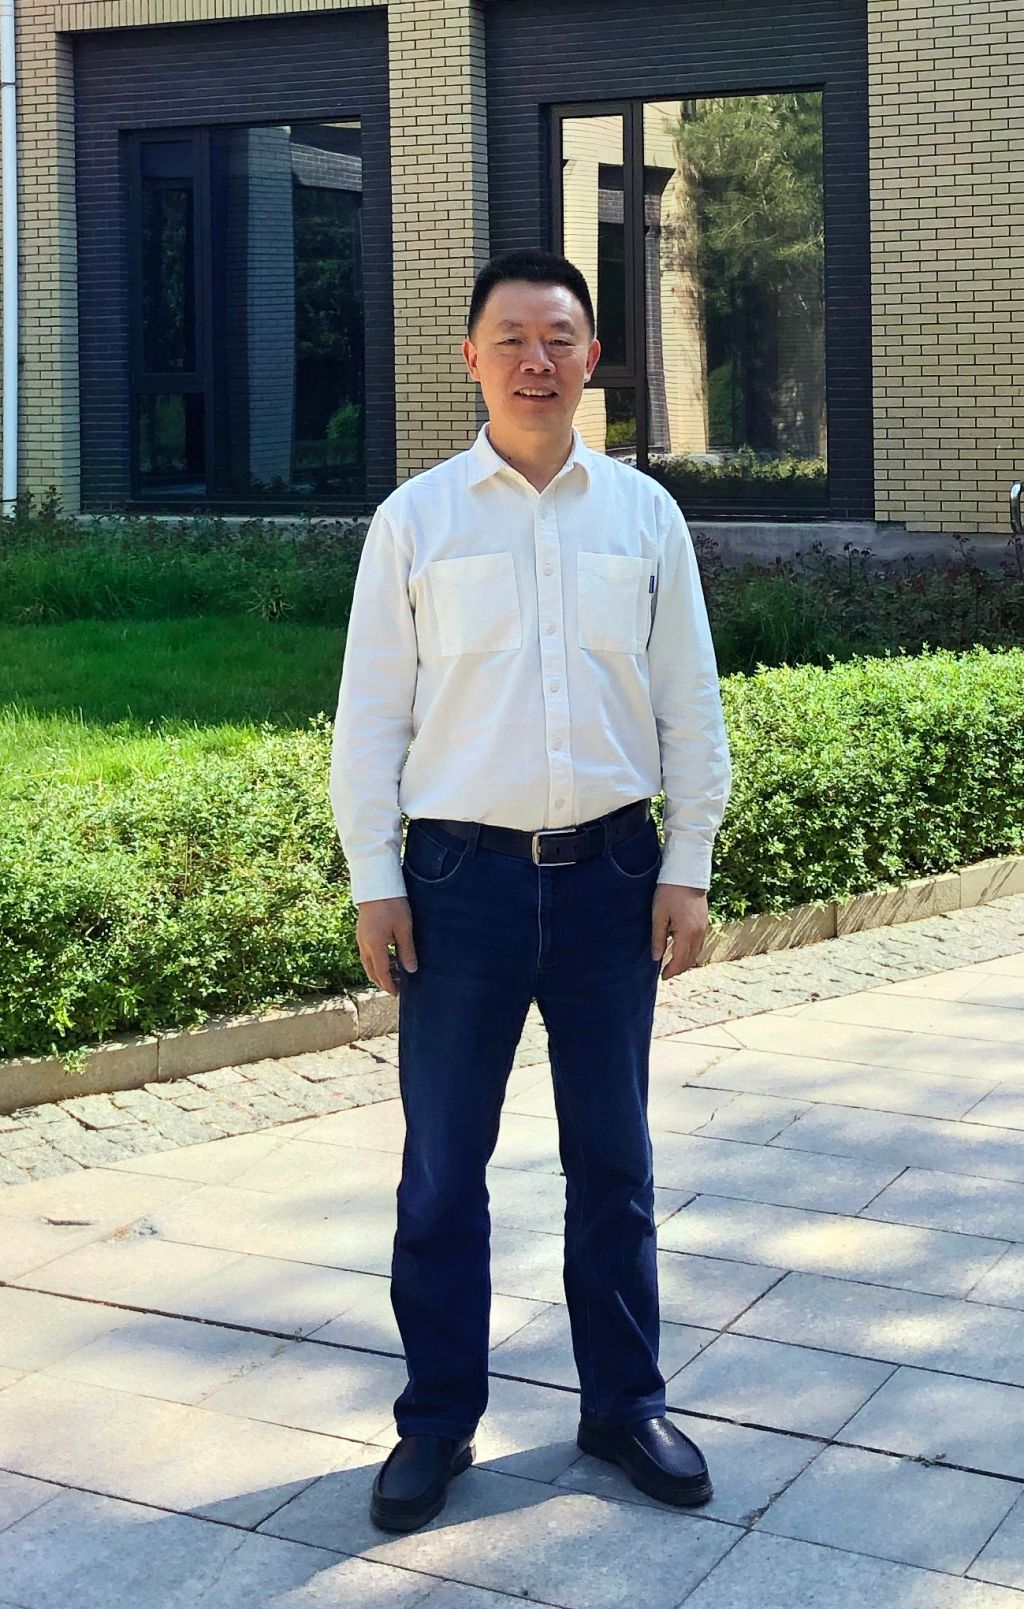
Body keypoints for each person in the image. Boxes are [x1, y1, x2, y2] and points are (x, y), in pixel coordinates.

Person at [330, 247, 732, 1533]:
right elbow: (370, 716)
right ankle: (437, 1419)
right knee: (444, 1168)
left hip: (614, 876)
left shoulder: (643, 518)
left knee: (612, 1161)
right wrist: (377, 878)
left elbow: (688, 702)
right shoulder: (416, 521)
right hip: (459, 884)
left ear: (591, 357)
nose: (536, 359)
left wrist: (686, 862)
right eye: (510, 338)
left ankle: (623, 1403)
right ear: (472, 358)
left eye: (558, 337)